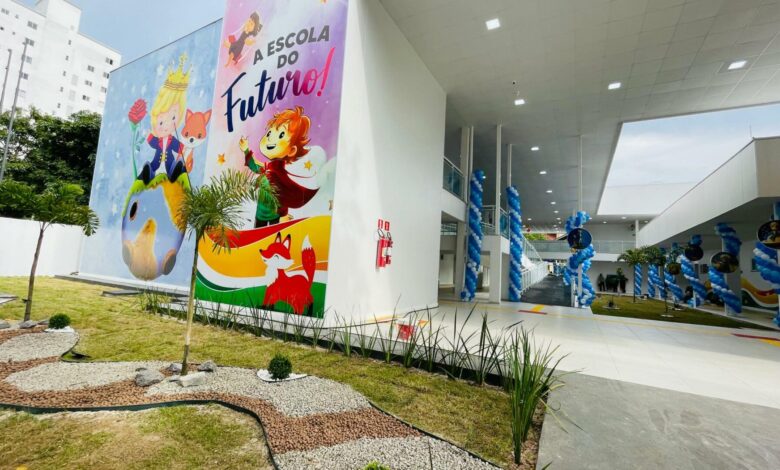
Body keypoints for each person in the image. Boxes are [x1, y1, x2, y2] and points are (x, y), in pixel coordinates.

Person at [240, 106, 319, 228]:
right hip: (260, 214)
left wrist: (284, 215)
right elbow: (255, 166)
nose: (270, 138)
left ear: (292, 150)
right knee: (258, 233)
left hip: (274, 216)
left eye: (281, 135)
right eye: (269, 133)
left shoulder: (282, 172)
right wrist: (245, 149)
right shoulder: (269, 167)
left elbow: (284, 194)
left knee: (273, 234)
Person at [139, 55, 189, 184]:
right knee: (151, 166)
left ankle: (174, 172)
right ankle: (148, 173)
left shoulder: (172, 140)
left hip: (169, 164)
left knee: (173, 167)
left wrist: (185, 148)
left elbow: (179, 148)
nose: (166, 125)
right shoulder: (158, 141)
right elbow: (152, 142)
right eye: (161, 122)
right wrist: (148, 135)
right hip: (157, 163)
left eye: (172, 118)